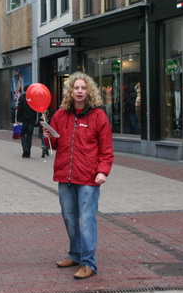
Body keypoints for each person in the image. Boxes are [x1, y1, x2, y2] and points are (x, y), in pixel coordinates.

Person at [42, 72, 114, 279]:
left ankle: (88, 262)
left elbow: (106, 148)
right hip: (65, 176)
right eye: (76, 88)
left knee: (87, 220)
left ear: (88, 91)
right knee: (70, 218)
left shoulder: (98, 116)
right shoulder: (60, 115)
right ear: (70, 91)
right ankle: (75, 254)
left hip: (89, 177)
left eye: (83, 88)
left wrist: (103, 171)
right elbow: (54, 144)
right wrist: (47, 137)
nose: (79, 91)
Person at [17, 85, 38, 158]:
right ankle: (28, 151)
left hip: (24, 119)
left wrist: (18, 119)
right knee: (29, 136)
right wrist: (35, 119)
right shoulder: (33, 98)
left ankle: (25, 148)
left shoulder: (22, 98)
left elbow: (19, 108)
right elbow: (35, 109)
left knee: (23, 135)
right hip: (31, 119)